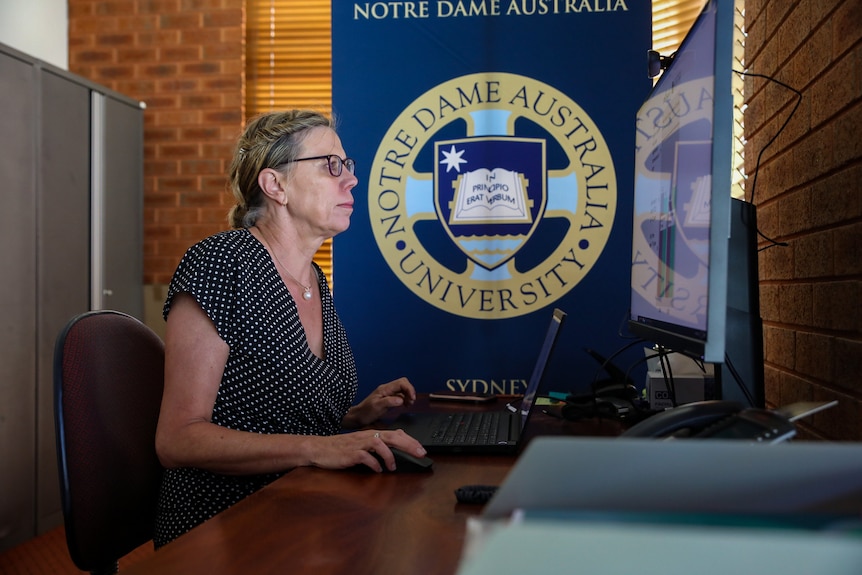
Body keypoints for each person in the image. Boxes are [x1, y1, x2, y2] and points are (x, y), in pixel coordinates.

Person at [153, 110, 426, 548]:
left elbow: (268, 409)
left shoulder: (314, 278)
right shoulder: (222, 264)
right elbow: (178, 439)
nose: (351, 180)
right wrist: (320, 448)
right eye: (330, 165)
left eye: (348, 165)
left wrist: (353, 418)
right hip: (225, 526)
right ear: (275, 185)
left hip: (303, 506)